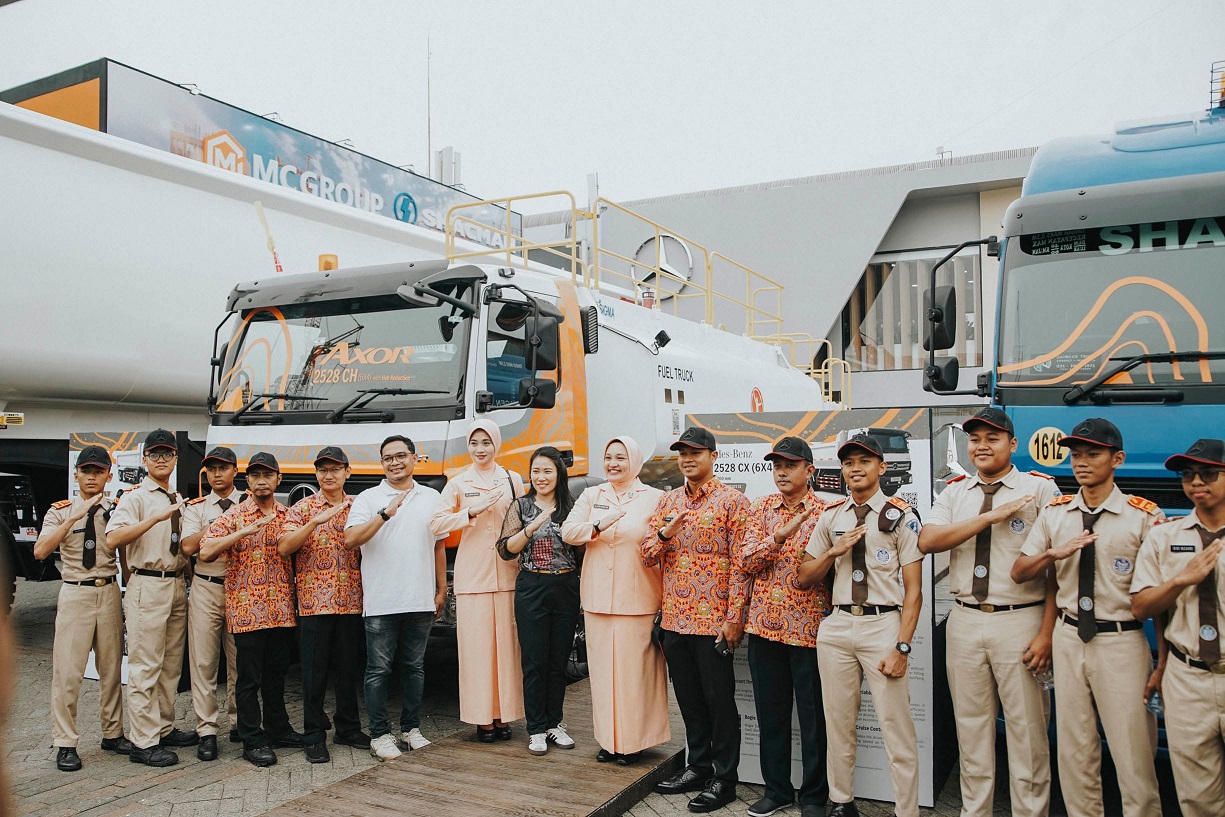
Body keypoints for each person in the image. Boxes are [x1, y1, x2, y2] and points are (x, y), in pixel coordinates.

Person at [1011, 418, 1163, 817]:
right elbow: (1021, 571)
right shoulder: (1056, 513)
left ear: (1118, 459)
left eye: (1092, 454)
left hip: (1121, 640)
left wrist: (1161, 662)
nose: (1081, 462)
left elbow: (1161, 600)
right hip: (1068, 637)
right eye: (1075, 455)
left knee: (1134, 754)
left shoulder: (1143, 517)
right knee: (1075, 752)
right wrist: (1051, 555)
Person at [918, 407, 1060, 817]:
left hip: (1021, 619)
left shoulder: (1040, 490)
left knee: (1028, 733)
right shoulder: (955, 491)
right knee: (972, 730)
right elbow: (929, 540)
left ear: (1012, 445)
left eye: (992, 438)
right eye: (974, 439)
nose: (981, 446)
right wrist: (992, 516)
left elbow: (1056, 572)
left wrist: (1047, 634)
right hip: (964, 619)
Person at [799, 433, 923, 817]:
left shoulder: (901, 516)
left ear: (882, 468)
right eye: (849, 462)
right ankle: (841, 801)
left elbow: (915, 591)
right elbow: (804, 576)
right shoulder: (831, 516)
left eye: (864, 461)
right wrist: (834, 552)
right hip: (837, 627)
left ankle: (907, 811)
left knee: (895, 728)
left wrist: (902, 647)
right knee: (838, 723)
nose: (855, 468)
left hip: (882, 624)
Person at [643, 426, 751, 814]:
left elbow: (743, 567)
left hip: (714, 624)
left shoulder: (732, 502)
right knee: (688, 700)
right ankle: (698, 766)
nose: (688, 459)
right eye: (682, 453)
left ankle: (725, 778)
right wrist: (666, 534)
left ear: (713, 455)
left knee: (719, 702)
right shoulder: (669, 500)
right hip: (674, 621)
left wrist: (734, 618)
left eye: (696, 452)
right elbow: (647, 553)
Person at [1131, 438, 1225, 817]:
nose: (1196, 482)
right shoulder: (1163, 537)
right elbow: (1141, 607)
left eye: (1208, 474)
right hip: (1188, 680)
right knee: (1197, 797)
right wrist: (1180, 581)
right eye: (1188, 475)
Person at [561, 436, 669, 766]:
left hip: (638, 597)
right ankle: (609, 741)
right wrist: (595, 526)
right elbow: (568, 531)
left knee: (635, 676)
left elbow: (663, 547)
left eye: (621, 457)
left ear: (634, 461)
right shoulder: (593, 495)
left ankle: (635, 742)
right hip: (597, 600)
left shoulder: (655, 498)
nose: (613, 463)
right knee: (604, 675)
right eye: (608, 457)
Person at [739, 436, 830, 817]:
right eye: (777, 464)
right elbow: (745, 561)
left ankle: (813, 796)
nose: (781, 471)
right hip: (764, 630)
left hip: (811, 631)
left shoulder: (829, 510)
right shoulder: (760, 509)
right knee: (771, 715)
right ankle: (776, 791)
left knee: (813, 720)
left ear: (809, 470)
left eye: (790, 464)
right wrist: (777, 537)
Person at [345, 436, 446, 762]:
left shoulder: (432, 497)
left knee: (414, 668)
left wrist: (441, 589)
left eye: (401, 455)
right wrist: (384, 515)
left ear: (415, 459)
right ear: (382, 463)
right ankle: (379, 734)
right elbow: (350, 540)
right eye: (388, 458)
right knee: (378, 670)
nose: (395, 462)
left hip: (418, 598)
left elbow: (439, 544)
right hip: (382, 600)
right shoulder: (367, 498)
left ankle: (411, 729)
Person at [200, 452, 301, 767]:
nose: (261, 481)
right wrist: (244, 531)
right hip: (248, 611)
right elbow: (205, 550)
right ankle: (251, 738)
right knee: (248, 679)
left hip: (282, 609)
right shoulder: (234, 515)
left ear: (278, 479)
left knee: (276, 675)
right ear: (248, 481)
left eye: (267, 475)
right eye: (255, 475)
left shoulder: (288, 514)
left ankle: (278, 729)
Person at [104, 429, 196, 766]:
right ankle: (143, 742)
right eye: (154, 454)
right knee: (145, 665)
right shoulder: (136, 498)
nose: (161, 459)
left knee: (171, 665)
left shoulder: (176, 498)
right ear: (144, 460)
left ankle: (163, 726)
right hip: (147, 583)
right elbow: (113, 538)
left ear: (175, 458)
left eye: (167, 453)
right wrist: (154, 518)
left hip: (174, 584)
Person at [430, 421, 525, 742]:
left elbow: (523, 522)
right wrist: (469, 512)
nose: (480, 449)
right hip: (473, 578)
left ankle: (504, 715)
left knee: (506, 650)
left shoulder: (513, 480)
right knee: (476, 652)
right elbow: (435, 522)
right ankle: (482, 718)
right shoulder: (458, 483)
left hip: (508, 575)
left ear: (496, 444)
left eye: (486, 442)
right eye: (474, 443)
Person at [37, 445, 130, 771]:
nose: (92, 476)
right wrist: (74, 518)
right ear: (76, 474)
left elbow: (126, 552)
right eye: (86, 471)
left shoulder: (118, 509)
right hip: (75, 594)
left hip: (107, 593)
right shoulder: (60, 511)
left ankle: (113, 733)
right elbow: (40, 551)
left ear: (107, 474)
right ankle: (65, 742)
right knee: (68, 672)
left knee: (112, 669)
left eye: (98, 471)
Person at [278, 446, 368, 763]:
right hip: (314, 604)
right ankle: (314, 734)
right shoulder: (303, 508)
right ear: (316, 474)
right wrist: (316, 521)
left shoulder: (359, 506)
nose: (328, 475)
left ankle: (347, 727)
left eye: (335, 469)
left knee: (348, 670)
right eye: (323, 470)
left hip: (350, 602)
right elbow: (285, 547)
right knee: (314, 674)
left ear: (347, 472)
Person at [497, 446, 581, 756]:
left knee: (559, 660)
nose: (541, 477)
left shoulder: (572, 507)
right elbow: (506, 549)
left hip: (566, 586)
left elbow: (581, 552)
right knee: (534, 661)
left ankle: (553, 723)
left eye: (547, 470)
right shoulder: (521, 506)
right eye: (536, 471)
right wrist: (530, 529)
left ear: (559, 473)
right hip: (532, 586)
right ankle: (535, 728)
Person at [180, 446, 244, 760]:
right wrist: (224, 521)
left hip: (242, 586)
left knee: (240, 661)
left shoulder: (249, 500)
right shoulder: (196, 507)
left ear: (235, 470)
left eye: (223, 468)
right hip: (206, 586)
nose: (217, 474)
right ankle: (206, 729)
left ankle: (238, 721)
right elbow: (189, 546)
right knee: (203, 662)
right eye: (211, 469)